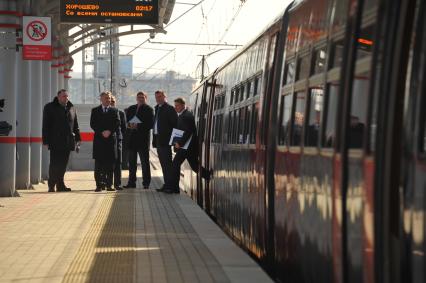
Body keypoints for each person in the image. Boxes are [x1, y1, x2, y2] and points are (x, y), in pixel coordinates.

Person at [168, 97, 212, 194]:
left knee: (175, 164)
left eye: (177, 106)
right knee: (194, 166)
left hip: (187, 147)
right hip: (187, 147)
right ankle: (209, 175)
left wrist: (179, 143)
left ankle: (174, 188)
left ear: (183, 105)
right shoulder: (183, 115)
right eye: (175, 106)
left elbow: (188, 132)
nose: (176, 108)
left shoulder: (186, 116)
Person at [42, 89, 81, 192]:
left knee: (63, 164)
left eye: (67, 96)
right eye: (64, 96)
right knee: (55, 163)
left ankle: (60, 185)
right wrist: (46, 140)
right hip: (55, 141)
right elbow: (45, 125)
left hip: (68, 141)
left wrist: (78, 139)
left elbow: (75, 125)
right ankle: (51, 185)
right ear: (58, 97)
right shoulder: (49, 107)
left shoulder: (71, 108)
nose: (66, 98)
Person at [90, 91, 120, 192]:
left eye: (109, 98)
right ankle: (98, 185)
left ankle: (109, 185)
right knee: (98, 165)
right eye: (106, 98)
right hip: (99, 141)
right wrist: (101, 132)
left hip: (111, 141)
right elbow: (93, 124)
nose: (108, 100)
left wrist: (109, 131)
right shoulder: (95, 110)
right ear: (101, 99)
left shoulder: (115, 110)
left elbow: (117, 123)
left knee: (110, 166)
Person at [124, 91, 154, 189]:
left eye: (142, 97)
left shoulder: (149, 109)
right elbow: (127, 121)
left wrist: (138, 125)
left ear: (146, 98)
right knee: (131, 163)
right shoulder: (131, 108)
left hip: (143, 140)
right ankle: (131, 182)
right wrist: (129, 125)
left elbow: (150, 124)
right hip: (132, 140)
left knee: (145, 163)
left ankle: (146, 183)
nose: (140, 99)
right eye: (139, 97)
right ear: (136, 98)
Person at [152, 90, 177, 192]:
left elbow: (175, 125)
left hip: (165, 141)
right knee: (163, 164)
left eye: (160, 97)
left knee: (167, 164)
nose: (158, 99)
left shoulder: (170, 109)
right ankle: (167, 184)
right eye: (157, 97)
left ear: (164, 97)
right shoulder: (157, 108)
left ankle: (170, 186)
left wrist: (173, 141)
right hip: (158, 139)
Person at [110, 95, 126, 190]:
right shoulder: (105, 112)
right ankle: (107, 183)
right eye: (110, 101)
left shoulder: (121, 113)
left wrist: (118, 136)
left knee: (118, 162)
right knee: (108, 163)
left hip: (118, 140)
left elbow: (123, 128)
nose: (112, 103)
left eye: (113, 101)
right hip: (108, 141)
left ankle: (118, 183)